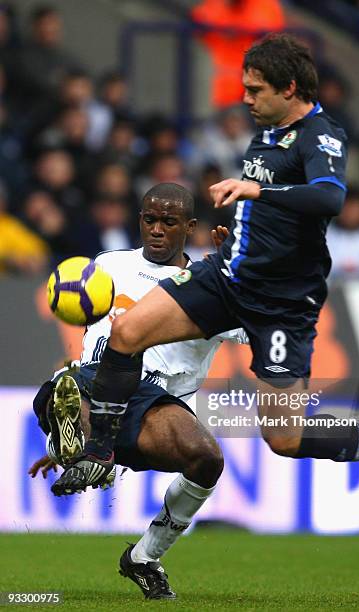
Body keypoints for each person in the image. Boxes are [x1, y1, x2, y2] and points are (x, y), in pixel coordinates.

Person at [53, 33, 359, 506]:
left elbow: (329, 197)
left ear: (289, 89)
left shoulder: (322, 135)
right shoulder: (265, 133)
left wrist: (257, 193)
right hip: (227, 277)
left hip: (281, 303)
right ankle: (100, 450)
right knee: (127, 332)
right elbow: (269, 215)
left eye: (255, 90)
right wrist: (239, 238)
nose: (245, 98)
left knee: (284, 438)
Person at [31, 182, 247, 599]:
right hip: (96, 380)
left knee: (207, 460)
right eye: (150, 219)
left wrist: (238, 273)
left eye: (169, 221)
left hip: (154, 407)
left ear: (190, 226)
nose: (158, 229)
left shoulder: (212, 282)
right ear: (140, 221)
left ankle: (145, 556)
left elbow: (258, 331)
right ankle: (82, 439)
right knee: (69, 385)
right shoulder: (107, 265)